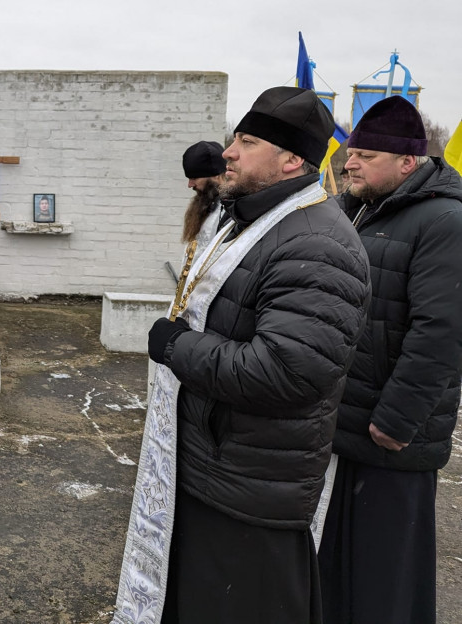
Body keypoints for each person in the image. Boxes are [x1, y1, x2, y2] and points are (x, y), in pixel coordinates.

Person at [115, 86, 370, 624]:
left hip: (253, 492)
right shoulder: (250, 220)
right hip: (218, 468)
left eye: (247, 141)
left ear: (291, 159)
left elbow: (285, 372)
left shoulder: (317, 243)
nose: (228, 151)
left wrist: (175, 345)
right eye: (235, 138)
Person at [318, 96, 462, 624]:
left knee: (386, 583)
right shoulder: (359, 208)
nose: (348, 163)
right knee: (338, 573)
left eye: (365, 155)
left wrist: (396, 420)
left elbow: (441, 333)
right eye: (350, 152)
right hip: (346, 424)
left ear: (409, 162)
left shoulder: (446, 220)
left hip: (392, 436)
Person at [180, 140, 226, 252]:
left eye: (194, 178)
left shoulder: (231, 212)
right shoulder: (206, 205)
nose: (190, 185)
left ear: (216, 175)